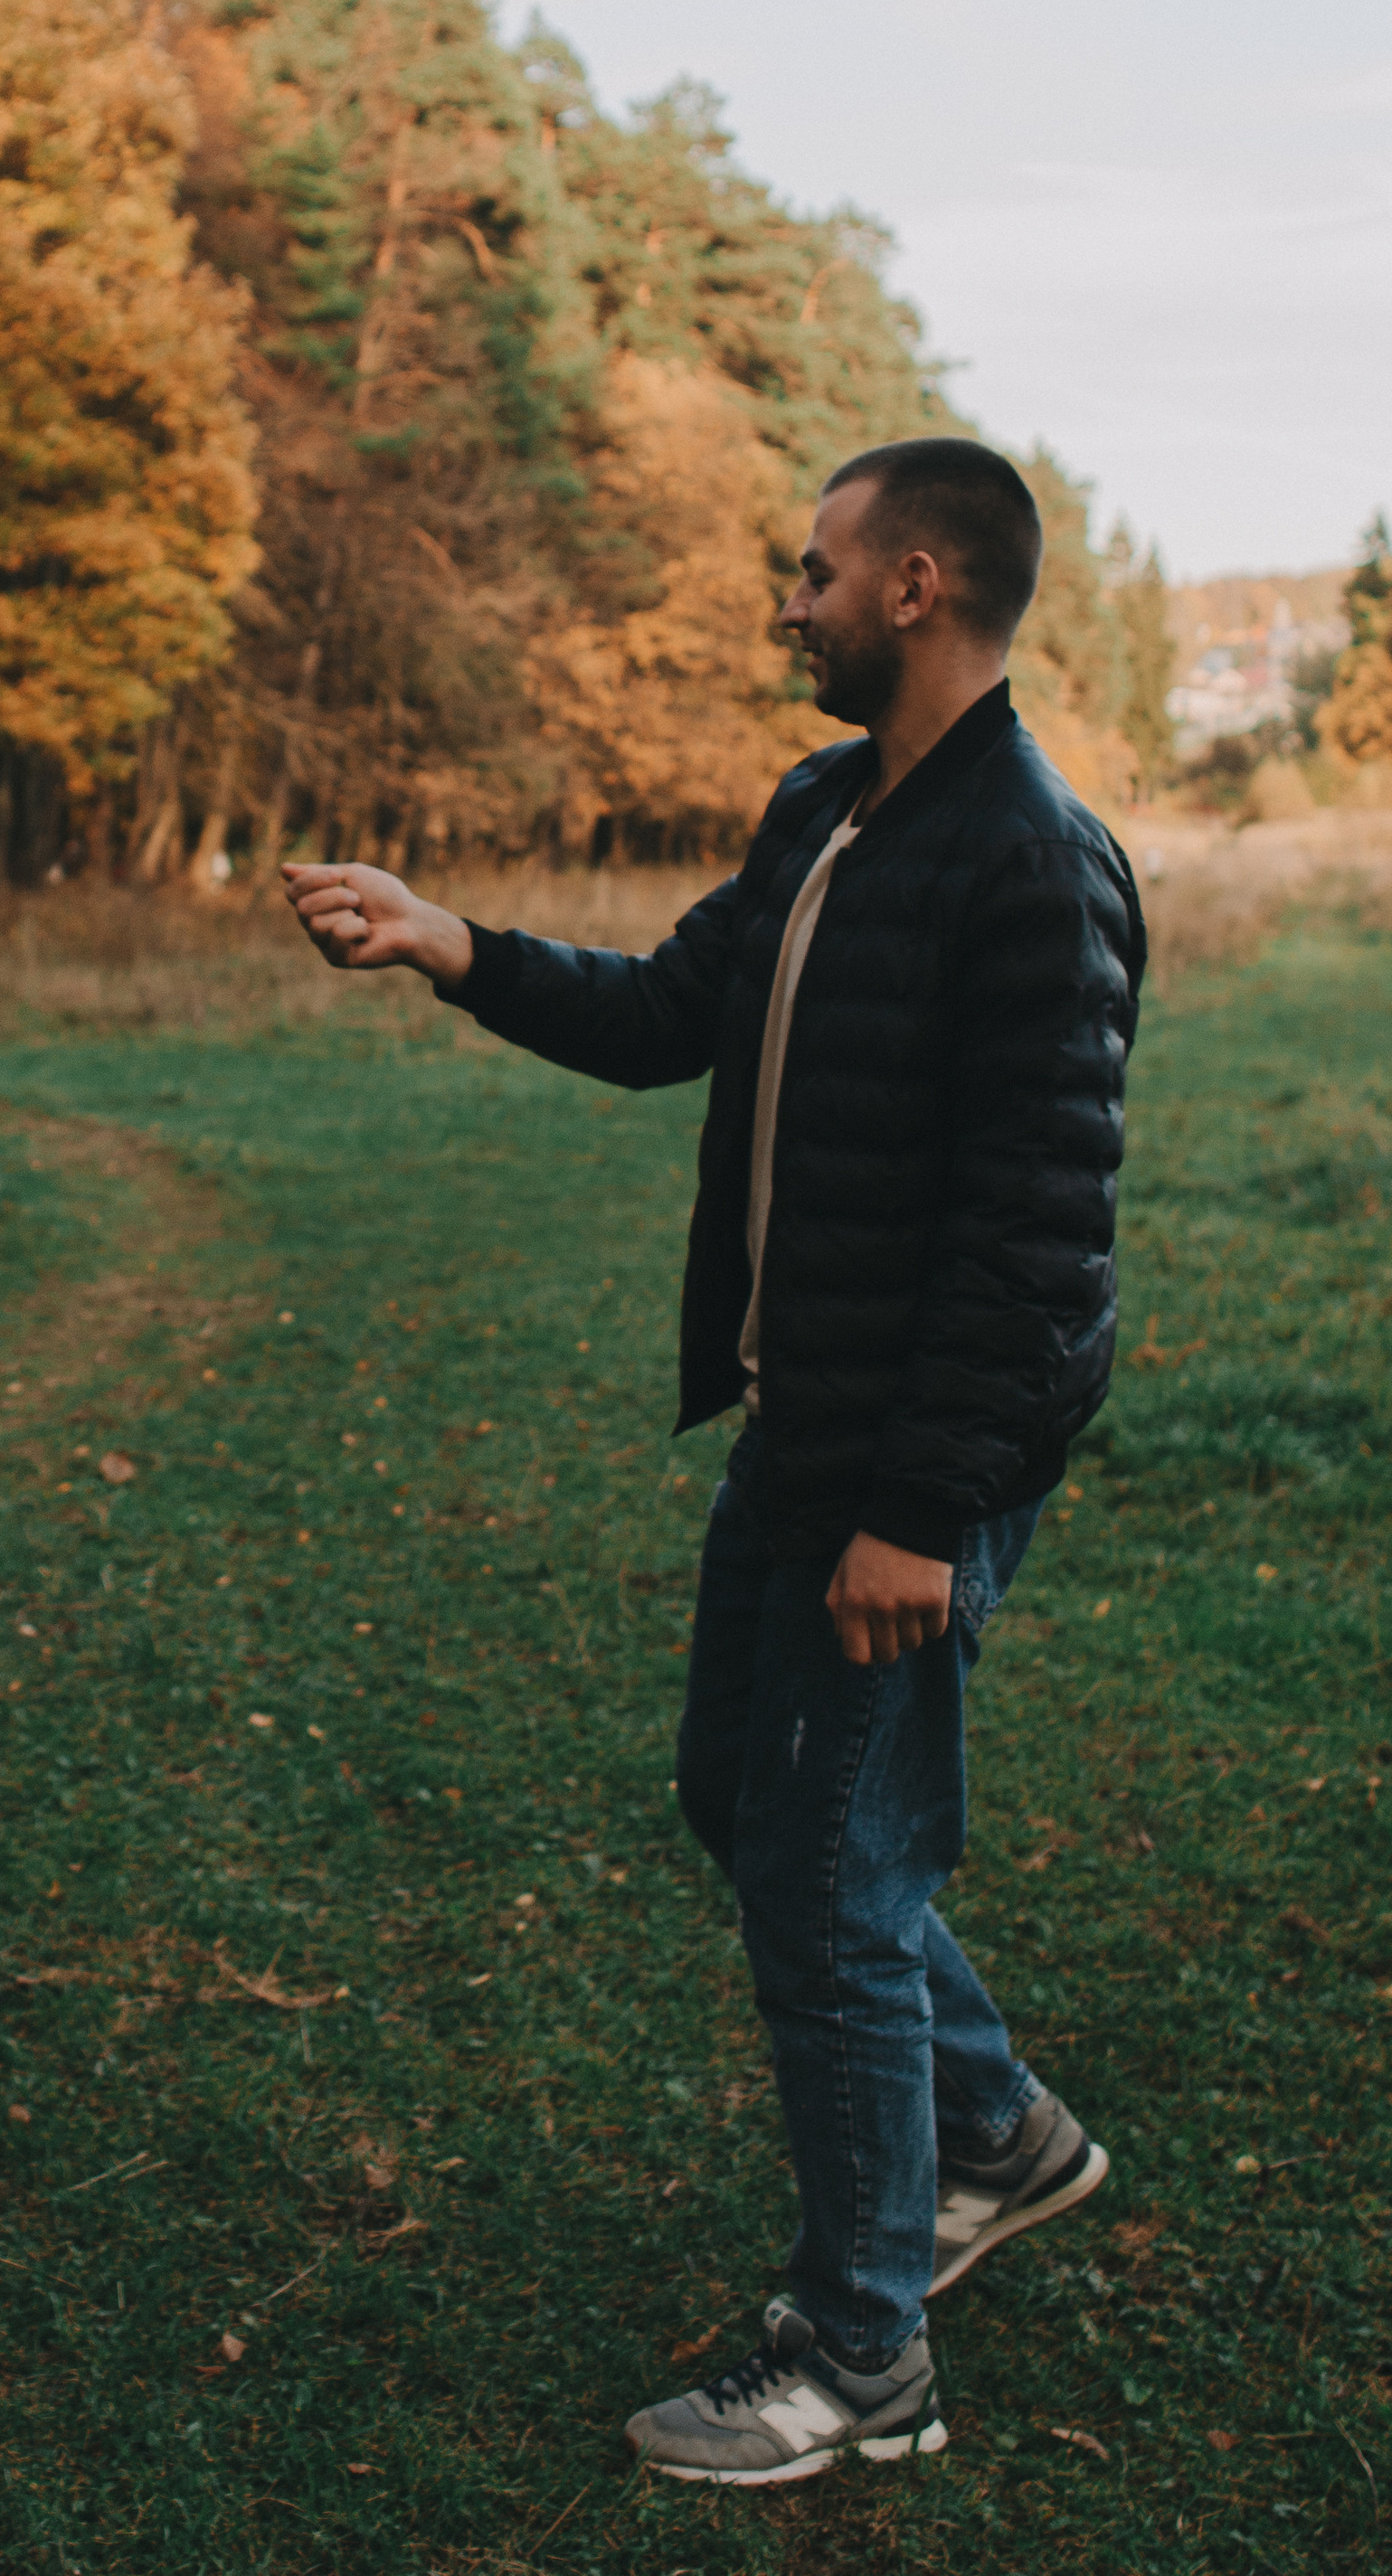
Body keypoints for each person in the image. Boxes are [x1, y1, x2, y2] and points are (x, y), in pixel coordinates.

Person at [283, 437, 1143, 2486]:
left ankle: (860, 2359)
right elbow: (680, 1005)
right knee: (729, 1801)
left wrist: (916, 1516)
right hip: (802, 1422)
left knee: (829, 1890)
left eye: (809, 568)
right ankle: (993, 2131)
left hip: (901, 1464)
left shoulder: (1030, 857)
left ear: (915, 583)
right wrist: (449, 941)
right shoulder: (822, 810)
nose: (784, 599)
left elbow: (1037, 1234)